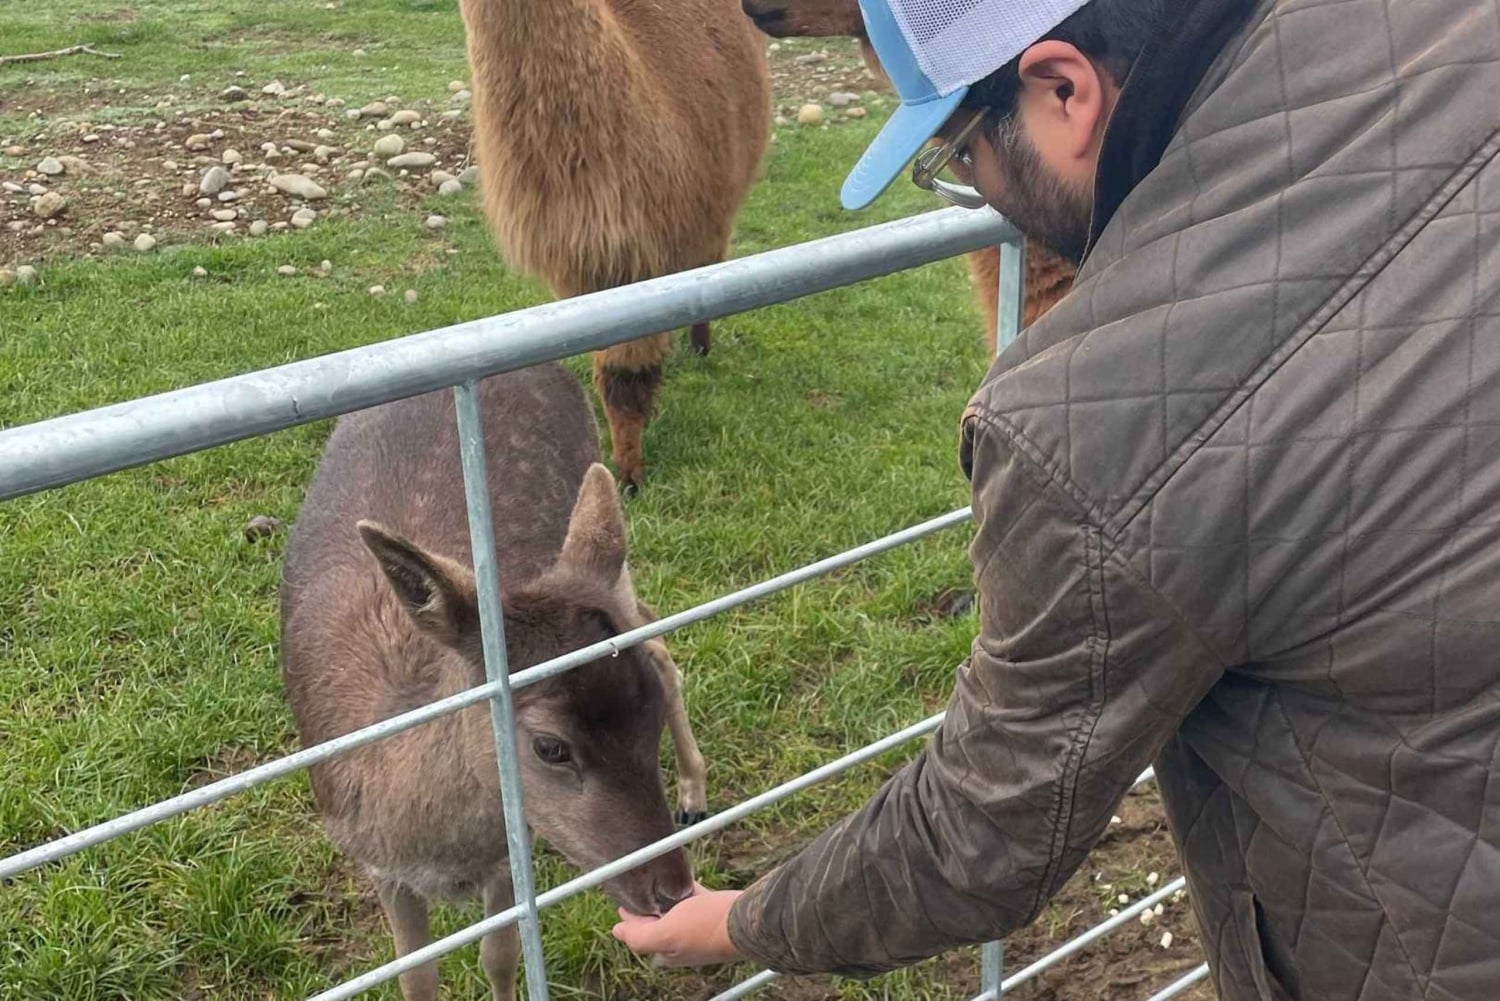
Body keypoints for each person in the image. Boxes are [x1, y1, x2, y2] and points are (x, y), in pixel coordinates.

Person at [615, 0, 1500, 996]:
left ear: (1066, 91)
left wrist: (739, 919)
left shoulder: (1092, 431)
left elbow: (979, 829)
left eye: (958, 151)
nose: (979, 191)